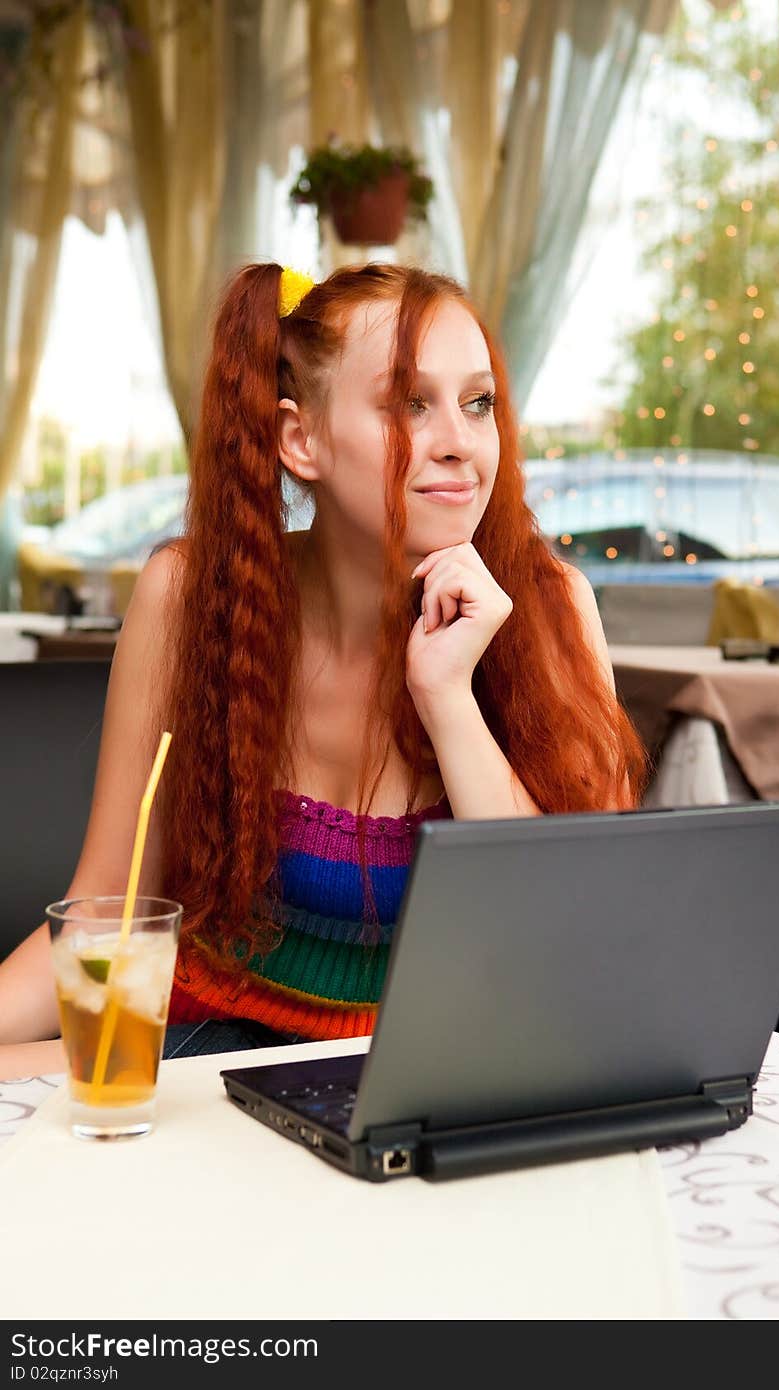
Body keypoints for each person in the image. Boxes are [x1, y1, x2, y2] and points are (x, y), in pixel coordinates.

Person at [0, 261, 646, 1080]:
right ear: (299, 440)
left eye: (477, 402)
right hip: (205, 1067)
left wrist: (448, 698)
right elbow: (107, 911)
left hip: (437, 1080)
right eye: (410, 403)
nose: (459, 440)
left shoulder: (554, 609)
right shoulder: (190, 596)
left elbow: (573, 953)